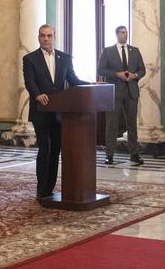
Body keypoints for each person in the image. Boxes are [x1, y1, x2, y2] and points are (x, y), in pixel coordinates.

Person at [23, 24, 89, 201]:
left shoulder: (64, 58)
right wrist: (38, 95)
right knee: (45, 148)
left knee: (56, 150)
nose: (46, 39)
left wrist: (92, 85)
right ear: (38, 37)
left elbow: (73, 80)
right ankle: (41, 190)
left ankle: (50, 189)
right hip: (41, 111)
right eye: (42, 36)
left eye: (49, 36)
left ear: (54, 37)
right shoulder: (30, 59)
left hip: (60, 112)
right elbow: (30, 82)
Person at [98, 25, 146, 165]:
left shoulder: (135, 51)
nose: (125, 35)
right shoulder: (108, 51)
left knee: (132, 124)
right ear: (117, 34)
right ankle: (110, 154)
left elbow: (142, 70)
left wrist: (135, 75)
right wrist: (116, 74)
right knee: (112, 123)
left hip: (131, 91)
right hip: (114, 92)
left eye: (126, 33)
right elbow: (101, 70)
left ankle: (134, 154)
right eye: (123, 33)